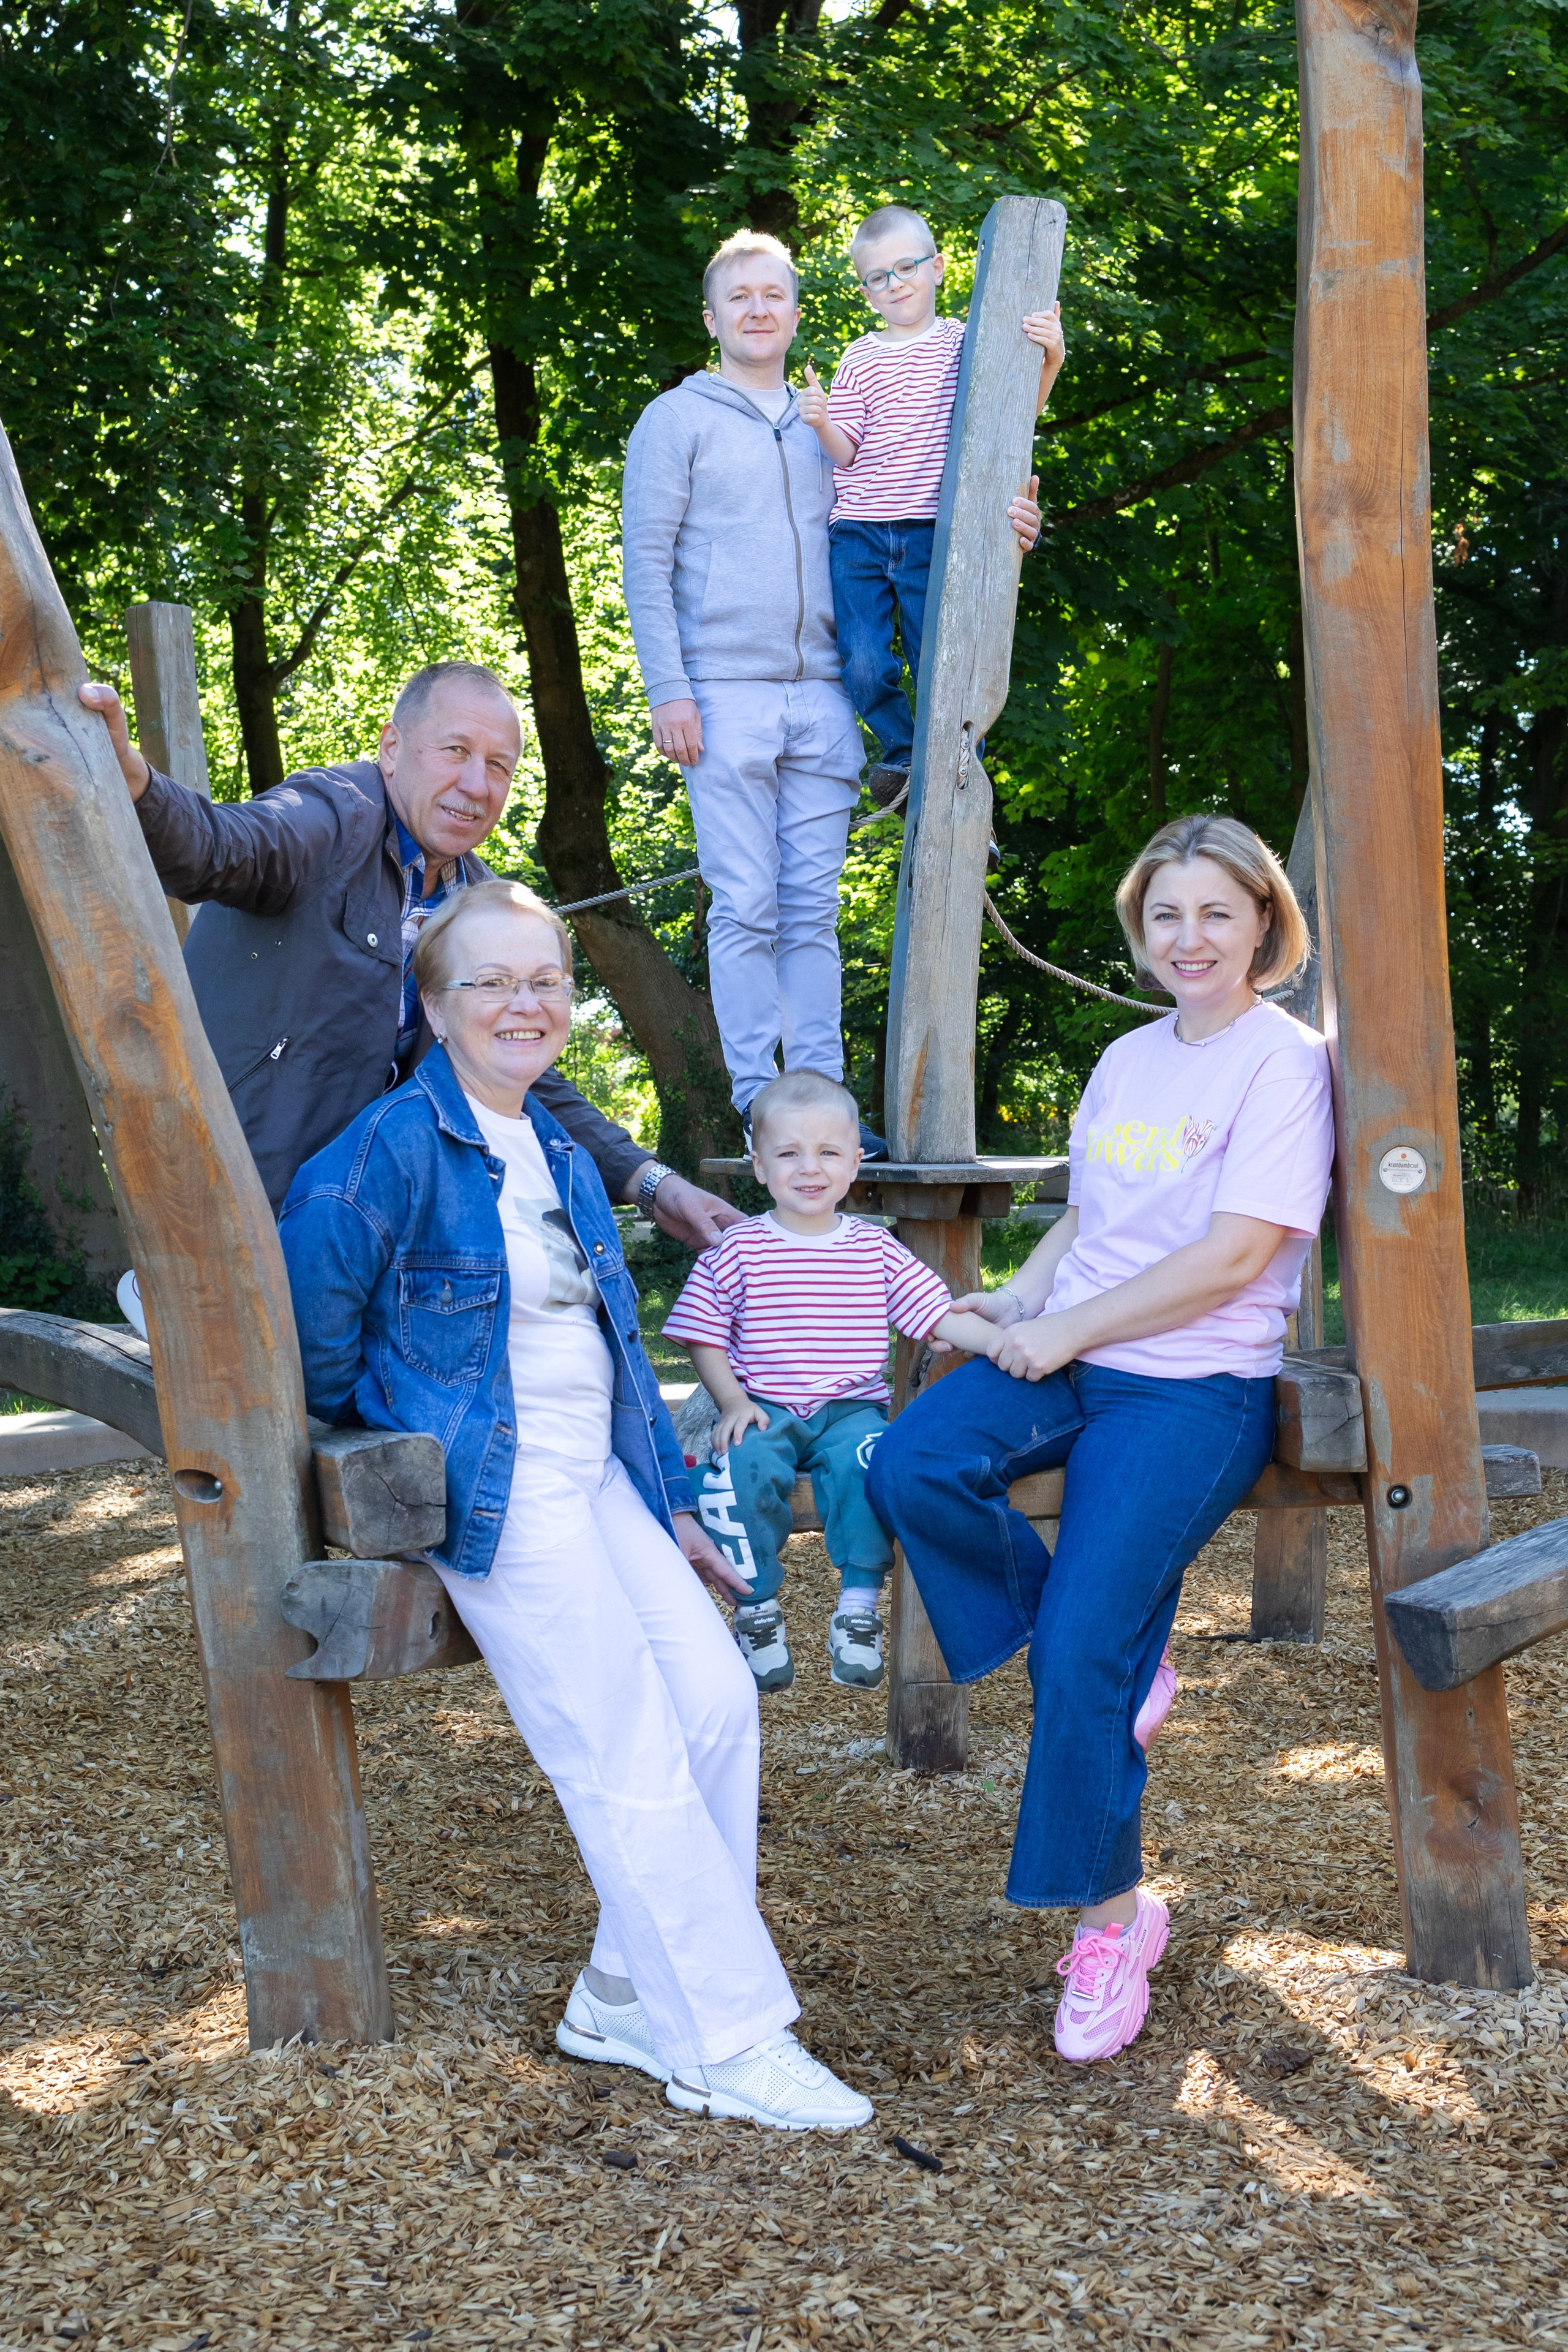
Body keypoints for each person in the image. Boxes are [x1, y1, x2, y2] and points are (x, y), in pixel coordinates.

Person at [278, 878, 873, 2132]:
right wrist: (402, 1446)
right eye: (489, 980)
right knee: (624, 1747)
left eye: (543, 978)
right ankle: (724, 2041)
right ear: (433, 1007)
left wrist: (667, 1506)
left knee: (713, 1707)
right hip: (496, 1491)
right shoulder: (379, 1157)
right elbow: (314, 1350)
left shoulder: (555, 1150)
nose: (523, 1001)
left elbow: (610, 1357)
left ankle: (616, 1994)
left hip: (596, 1475)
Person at [865, 815, 1333, 2065]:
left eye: (1215, 914)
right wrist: (1018, 1304)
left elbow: (1235, 1256)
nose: (1189, 939)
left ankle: (1111, 1923)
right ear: (1141, 929)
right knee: (910, 1462)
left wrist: (1062, 1329)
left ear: (1261, 926)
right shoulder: (1127, 1057)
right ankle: (1117, 1666)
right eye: (1166, 915)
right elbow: (1090, 1221)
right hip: (1078, 1344)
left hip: (1189, 1387)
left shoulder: (1283, 1065)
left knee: (1079, 1650)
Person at [76, 662, 738, 1247]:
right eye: (455, 750)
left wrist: (653, 1184)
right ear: (393, 748)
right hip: (230, 1201)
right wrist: (139, 787)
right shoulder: (330, 817)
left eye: (499, 766)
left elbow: (522, 1072)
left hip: (363, 1227)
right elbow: (225, 845)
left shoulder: (475, 901)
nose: (477, 784)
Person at [621, 232, 1042, 1139]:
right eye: (740, 298)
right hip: (721, 696)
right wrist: (669, 690)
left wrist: (1014, 515)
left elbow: (933, 502)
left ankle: (821, 1110)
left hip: (825, 701)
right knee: (745, 903)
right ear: (713, 317)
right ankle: (753, 1102)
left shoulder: (840, 418)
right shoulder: (676, 421)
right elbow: (645, 563)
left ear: (799, 309)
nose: (759, 309)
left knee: (811, 913)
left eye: (775, 294)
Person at [663, 1068, 996, 1694]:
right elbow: (702, 1335)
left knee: (876, 1463)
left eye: (828, 1153)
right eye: (788, 1153)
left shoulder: (874, 1249)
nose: (808, 1168)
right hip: (762, 1404)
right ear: (758, 1166)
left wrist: (1000, 1341)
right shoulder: (738, 1250)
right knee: (734, 1470)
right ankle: (754, 1609)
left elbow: (937, 1317)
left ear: (854, 1166)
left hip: (849, 1413)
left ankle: (859, 1609)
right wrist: (731, 1401)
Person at [796, 203, 1066, 801]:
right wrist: (819, 421)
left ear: (938, 267)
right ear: (865, 291)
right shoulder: (859, 358)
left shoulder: (965, 343)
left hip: (932, 533)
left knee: (941, 662)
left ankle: (957, 775)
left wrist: (1050, 360)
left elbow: (1016, 416)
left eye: (905, 268)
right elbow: (844, 452)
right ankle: (901, 756)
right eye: (878, 277)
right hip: (860, 534)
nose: (894, 284)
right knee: (863, 661)